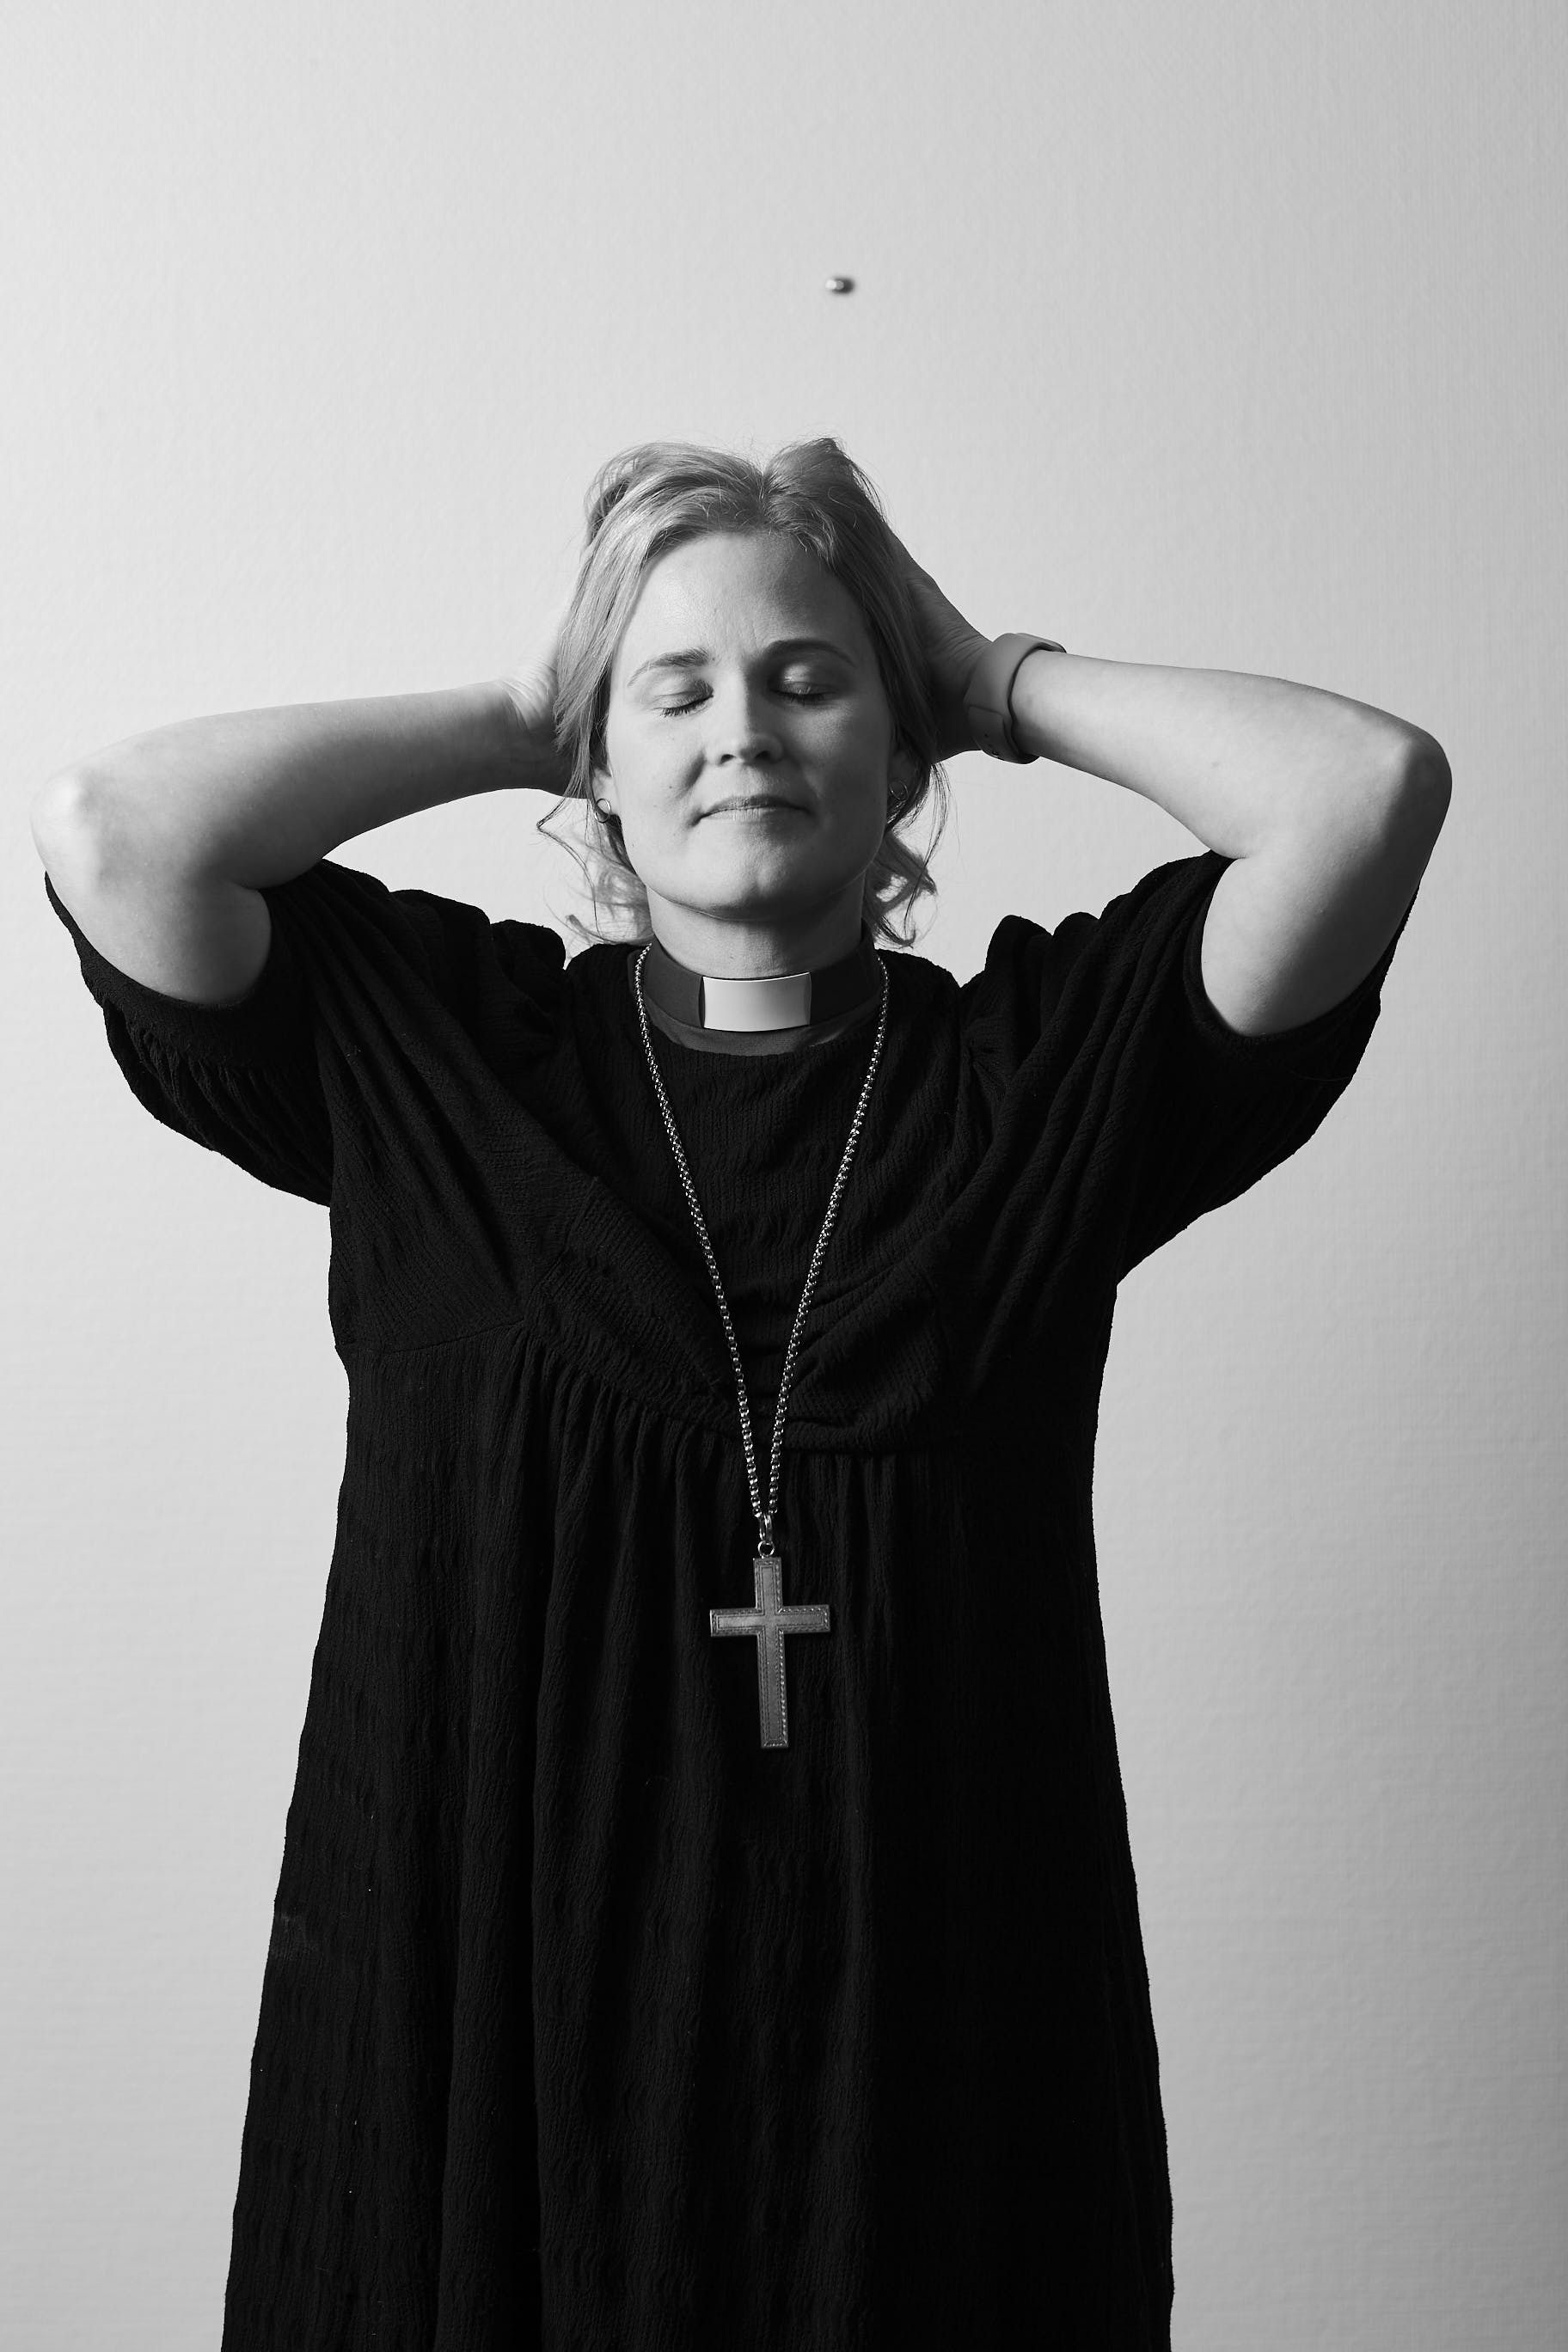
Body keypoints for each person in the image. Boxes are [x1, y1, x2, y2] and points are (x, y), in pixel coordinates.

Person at [31, 436, 1451, 2350]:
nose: (745, 734)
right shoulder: (446, 1057)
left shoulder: (1040, 1084)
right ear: (596, 762)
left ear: (900, 750)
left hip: (938, 2083)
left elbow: (1362, 793)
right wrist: (529, 704)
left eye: (808, 680)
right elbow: (117, 830)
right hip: (478, 2056)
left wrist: (992, 675)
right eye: (674, 694)